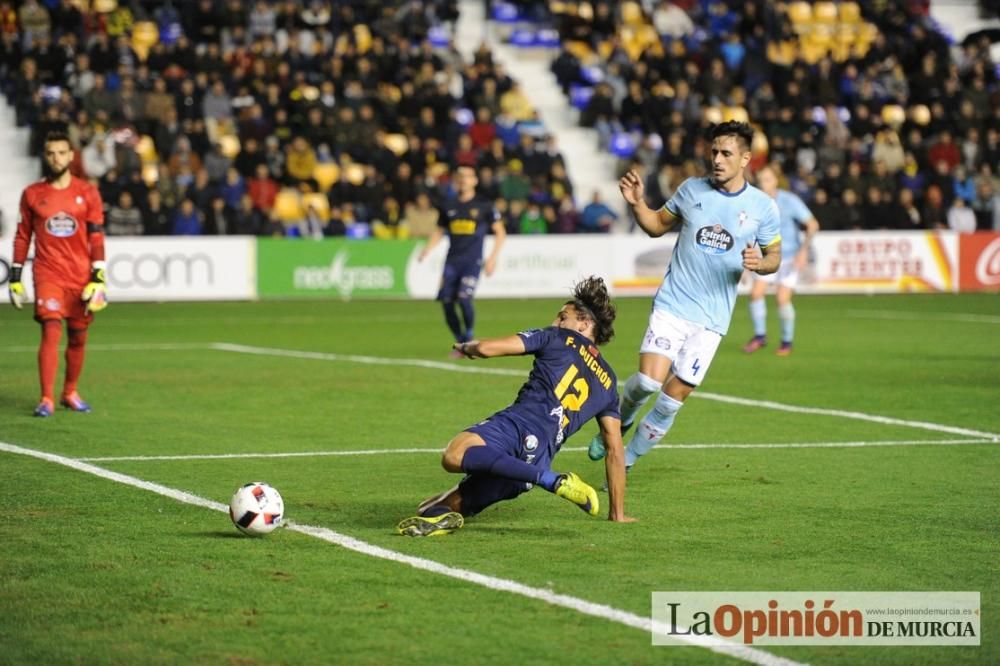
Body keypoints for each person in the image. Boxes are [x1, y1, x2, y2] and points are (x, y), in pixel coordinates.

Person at [588, 121, 781, 476]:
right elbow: (656, 225)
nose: (717, 159)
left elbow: (774, 257)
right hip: (674, 304)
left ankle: (626, 460)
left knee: (671, 400)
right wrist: (636, 204)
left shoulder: (763, 207)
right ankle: (619, 421)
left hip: (712, 320)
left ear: (745, 159)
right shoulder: (692, 189)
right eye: (714, 152)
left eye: (726, 153)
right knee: (647, 382)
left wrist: (762, 263)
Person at [396, 277, 633, 537]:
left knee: (454, 455)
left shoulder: (556, 336)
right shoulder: (608, 382)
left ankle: (551, 480)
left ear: (584, 324)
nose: (556, 322)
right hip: (538, 457)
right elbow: (615, 450)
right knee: (429, 510)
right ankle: (538, 476)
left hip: (518, 426)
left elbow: (487, 348)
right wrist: (617, 514)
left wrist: (468, 347)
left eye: (562, 317)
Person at [7, 130, 108, 417]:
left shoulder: (87, 192)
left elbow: (97, 236)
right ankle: (46, 398)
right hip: (48, 273)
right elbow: (22, 236)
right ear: (45, 155)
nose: (56, 158)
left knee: (78, 337)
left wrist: (98, 275)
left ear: (71, 155)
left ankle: (70, 392)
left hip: (80, 275)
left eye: (62, 152)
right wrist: (15, 276)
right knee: (51, 330)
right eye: (51, 153)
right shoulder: (33, 194)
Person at [418, 165, 506, 355]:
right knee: (447, 302)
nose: (463, 179)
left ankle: (469, 335)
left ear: (475, 180)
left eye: (467, 176)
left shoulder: (484, 205)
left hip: (472, 262)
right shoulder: (448, 205)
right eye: (460, 176)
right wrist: (426, 250)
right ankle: (461, 342)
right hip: (452, 262)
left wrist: (492, 259)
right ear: (455, 181)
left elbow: (500, 232)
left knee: (464, 298)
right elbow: (440, 231)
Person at [743, 163, 819, 356]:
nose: (763, 184)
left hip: (789, 257)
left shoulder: (789, 200)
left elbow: (812, 224)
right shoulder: (755, 202)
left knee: (781, 299)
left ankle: (787, 341)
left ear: (776, 180)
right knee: (755, 294)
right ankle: (760, 336)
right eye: (761, 180)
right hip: (767, 256)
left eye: (767, 179)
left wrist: (803, 251)